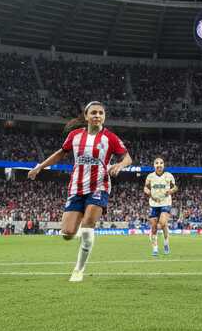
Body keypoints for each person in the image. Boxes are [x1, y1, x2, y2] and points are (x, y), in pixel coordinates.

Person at [27, 101, 131, 282]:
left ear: (104, 117)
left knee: (87, 226)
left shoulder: (110, 138)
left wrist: (120, 165)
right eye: (94, 113)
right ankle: (79, 233)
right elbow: (60, 153)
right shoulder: (75, 136)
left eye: (100, 113)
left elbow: (127, 157)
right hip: (76, 188)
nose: (97, 115)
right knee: (67, 234)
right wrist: (40, 167)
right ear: (86, 116)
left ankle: (78, 269)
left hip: (99, 186)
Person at [143, 157, 176, 257]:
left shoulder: (168, 176)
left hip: (166, 202)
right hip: (154, 204)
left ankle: (166, 243)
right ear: (154, 165)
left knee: (162, 223)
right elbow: (145, 187)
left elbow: (175, 187)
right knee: (154, 227)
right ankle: (155, 248)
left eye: (161, 163)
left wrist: (171, 190)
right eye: (157, 163)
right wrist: (147, 191)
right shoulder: (150, 177)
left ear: (163, 165)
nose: (159, 165)